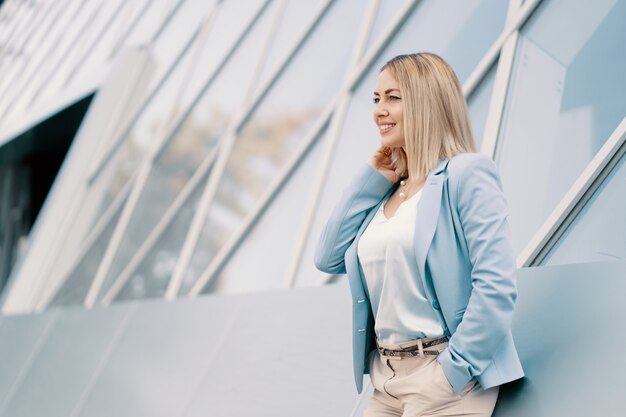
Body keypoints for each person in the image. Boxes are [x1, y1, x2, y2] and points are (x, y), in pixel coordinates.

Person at [314, 53, 524, 416]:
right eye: (376, 99)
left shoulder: (466, 174)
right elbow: (327, 256)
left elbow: (496, 282)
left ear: (427, 101)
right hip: (386, 381)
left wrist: (453, 371)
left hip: (443, 378)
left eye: (393, 98)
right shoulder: (387, 189)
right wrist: (371, 175)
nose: (379, 110)